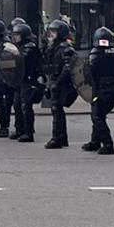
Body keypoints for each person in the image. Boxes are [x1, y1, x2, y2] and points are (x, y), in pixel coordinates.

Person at [83, 26, 114, 155]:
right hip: (113, 87)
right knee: (100, 114)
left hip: (101, 88)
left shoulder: (96, 53)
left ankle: (108, 143)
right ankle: (95, 141)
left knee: (97, 116)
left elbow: (90, 72)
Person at [42, 20, 76, 149]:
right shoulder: (53, 48)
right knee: (56, 109)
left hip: (62, 84)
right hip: (54, 80)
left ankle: (57, 137)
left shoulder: (66, 48)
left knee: (57, 109)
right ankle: (62, 137)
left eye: (54, 32)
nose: (51, 35)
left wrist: (58, 82)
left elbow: (68, 68)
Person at [9, 21, 39, 143]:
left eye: (17, 34)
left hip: (28, 80)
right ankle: (19, 129)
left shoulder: (29, 47)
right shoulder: (17, 47)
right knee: (17, 105)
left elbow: (22, 61)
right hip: (19, 80)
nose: (15, 37)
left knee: (25, 106)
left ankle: (28, 132)